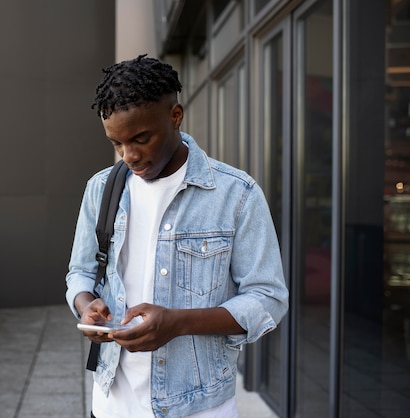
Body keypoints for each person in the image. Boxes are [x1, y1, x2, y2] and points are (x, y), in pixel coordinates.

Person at [65, 55, 289, 418]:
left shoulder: (236, 193)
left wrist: (178, 323)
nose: (130, 156)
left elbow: (268, 298)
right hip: (110, 403)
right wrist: (86, 305)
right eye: (117, 143)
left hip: (198, 407)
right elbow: (79, 271)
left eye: (141, 138)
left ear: (175, 115)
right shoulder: (101, 189)